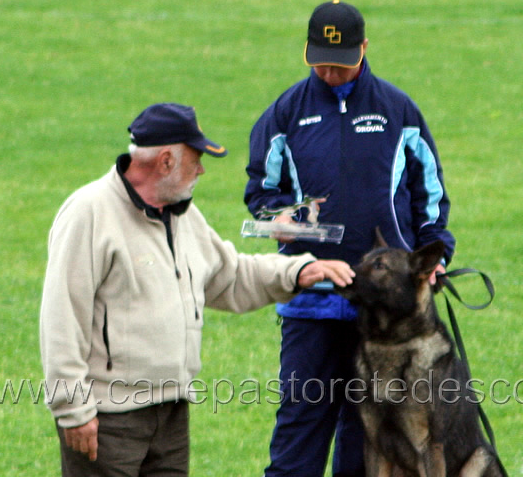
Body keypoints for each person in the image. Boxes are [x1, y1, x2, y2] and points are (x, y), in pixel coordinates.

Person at [39, 102, 355, 477]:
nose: (202, 169)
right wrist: (72, 410)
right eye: (196, 159)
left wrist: (298, 271)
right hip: (109, 418)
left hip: (171, 414)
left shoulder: (183, 215)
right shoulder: (88, 214)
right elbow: (61, 317)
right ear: (167, 161)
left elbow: (230, 276)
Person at [244, 0, 456, 476]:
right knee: (301, 418)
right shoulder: (284, 114)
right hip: (311, 299)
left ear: (364, 48)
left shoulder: (398, 111)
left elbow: (430, 193)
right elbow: (261, 191)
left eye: (340, 63)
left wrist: (436, 252)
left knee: (368, 432)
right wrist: (283, 218)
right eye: (319, 61)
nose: (329, 71)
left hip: (384, 310)